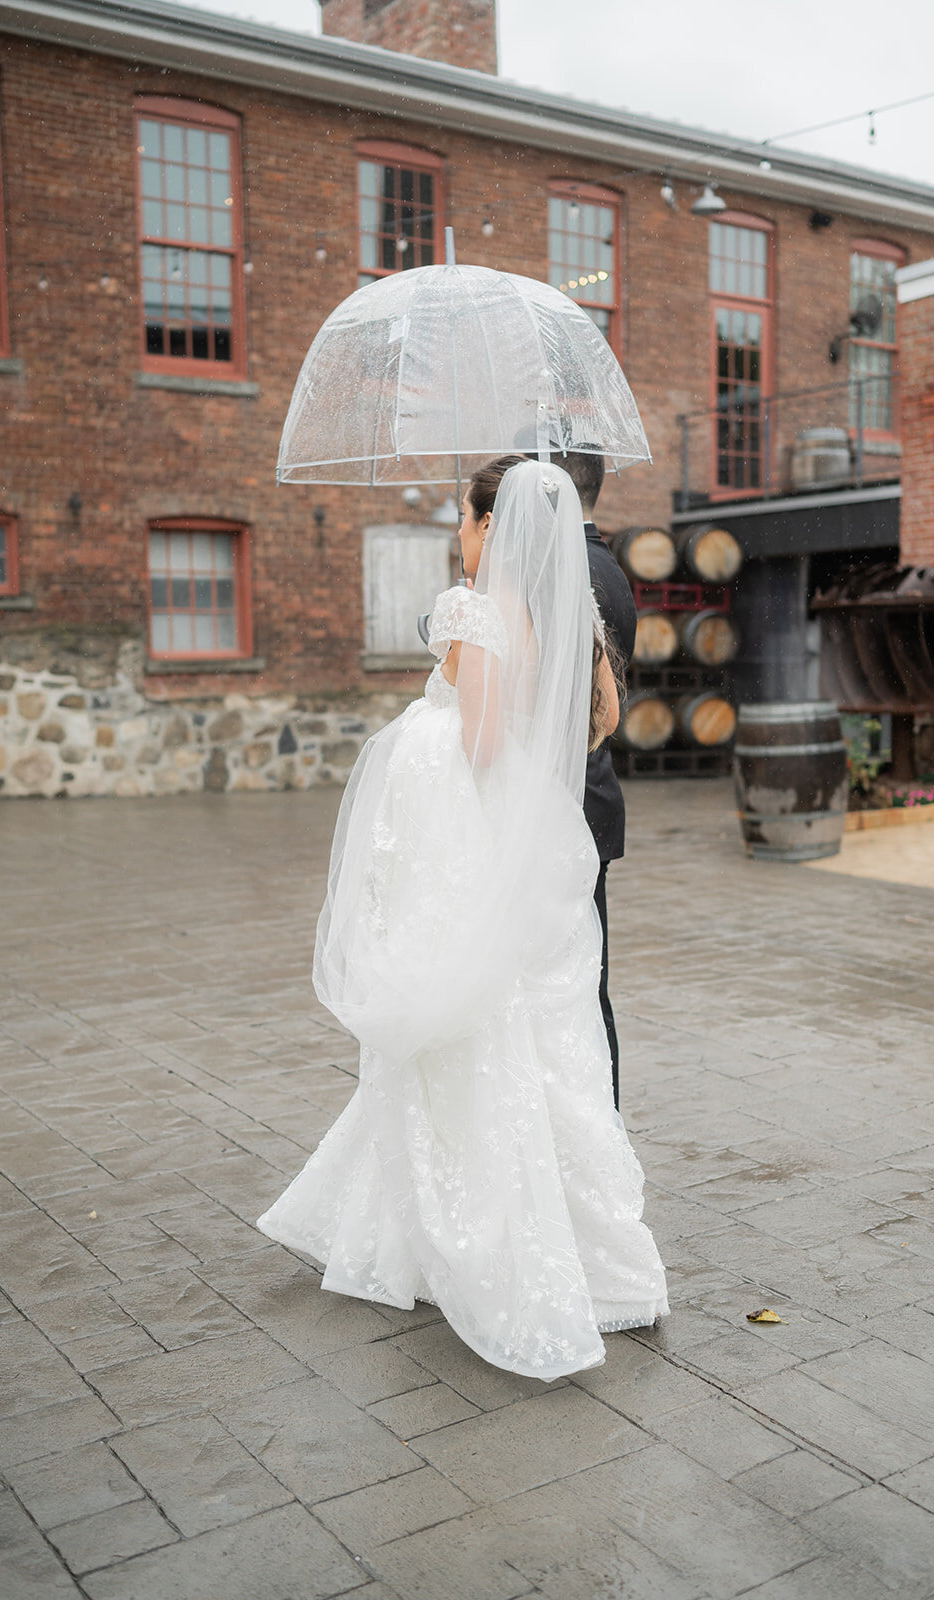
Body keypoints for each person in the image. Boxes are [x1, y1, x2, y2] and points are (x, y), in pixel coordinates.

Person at [257, 458, 668, 1380]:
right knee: (545, 1037)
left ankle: (473, 1241)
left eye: (463, 517)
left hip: (478, 845)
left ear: (491, 527)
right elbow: (599, 720)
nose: (457, 531)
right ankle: (598, 1256)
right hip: (543, 836)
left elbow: (478, 742)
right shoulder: (573, 619)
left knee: (470, 1034)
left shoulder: (473, 610)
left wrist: (424, 725)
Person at [552, 449, 637, 1113]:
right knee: (585, 974)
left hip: (565, 799)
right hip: (594, 790)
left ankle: (596, 1124)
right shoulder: (607, 565)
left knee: (578, 980)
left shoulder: (563, 571)